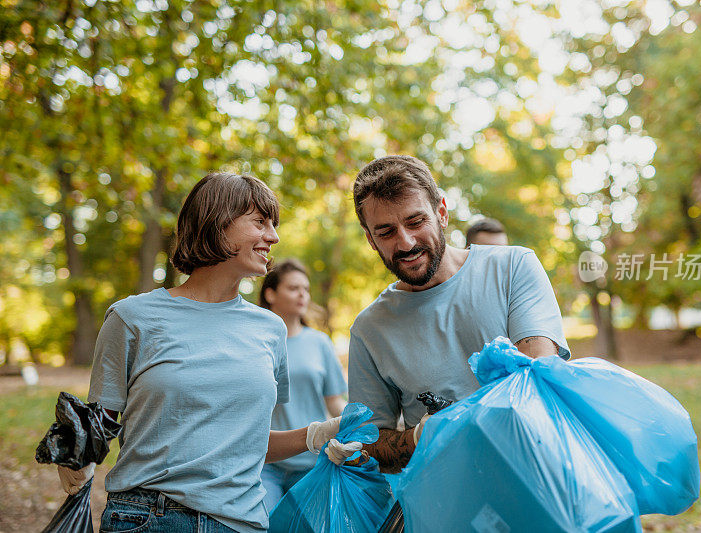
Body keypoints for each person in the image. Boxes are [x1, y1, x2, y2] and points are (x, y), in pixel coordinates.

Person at [56, 172, 359, 533]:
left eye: (273, 225)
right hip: (149, 519)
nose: (273, 237)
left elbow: (249, 443)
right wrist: (75, 455)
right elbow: (98, 425)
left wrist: (317, 434)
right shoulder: (131, 318)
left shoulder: (270, 330)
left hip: (242, 522)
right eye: (260, 222)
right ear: (217, 223)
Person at [347, 155, 570, 473]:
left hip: (539, 477)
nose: (406, 242)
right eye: (386, 232)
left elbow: (537, 379)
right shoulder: (369, 330)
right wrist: (420, 437)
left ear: (441, 212)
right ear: (370, 239)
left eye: (415, 222)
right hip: (445, 502)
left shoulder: (513, 268)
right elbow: (367, 442)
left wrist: (459, 422)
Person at [257, 259, 348, 510]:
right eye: (293, 288)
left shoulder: (320, 343)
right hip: (265, 465)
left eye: (306, 289)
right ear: (270, 293)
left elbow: (334, 402)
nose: (302, 295)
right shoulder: (254, 342)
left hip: (313, 463)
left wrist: (357, 422)